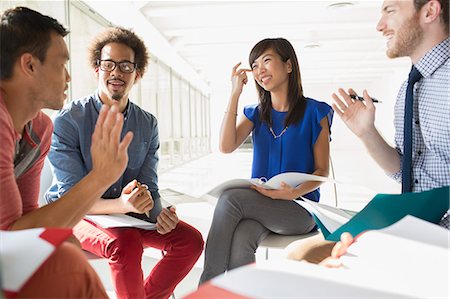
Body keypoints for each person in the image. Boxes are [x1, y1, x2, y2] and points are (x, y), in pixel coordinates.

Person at [45, 26, 204, 299]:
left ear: (137, 74)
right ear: (97, 69)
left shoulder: (147, 123)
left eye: (125, 66)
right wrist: (122, 205)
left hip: (127, 216)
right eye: (108, 64)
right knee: (126, 243)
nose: (116, 72)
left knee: (190, 241)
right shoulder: (68, 121)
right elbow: (72, 199)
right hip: (77, 216)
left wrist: (159, 214)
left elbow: (149, 186)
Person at [287, 0, 449, 264]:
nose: (379, 26)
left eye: (390, 11)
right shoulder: (411, 86)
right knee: (299, 254)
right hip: (416, 225)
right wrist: (366, 132)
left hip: (437, 237)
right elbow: (404, 169)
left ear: (429, 11)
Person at [0, 6, 134, 298]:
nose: (69, 78)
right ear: (30, 65)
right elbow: (11, 238)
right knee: (67, 261)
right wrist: (100, 177)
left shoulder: (39, 128)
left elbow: (27, 221)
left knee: (65, 245)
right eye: (61, 65)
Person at [199, 38, 333, 284]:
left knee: (230, 200)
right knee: (242, 235)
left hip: (300, 209)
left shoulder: (316, 112)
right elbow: (226, 146)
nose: (260, 70)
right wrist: (234, 93)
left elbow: (322, 171)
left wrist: (292, 193)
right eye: (255, 64)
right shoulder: (257, 113)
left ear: (289, 66)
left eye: (267, 61)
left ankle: (208, 288)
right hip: (263, 205)